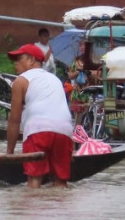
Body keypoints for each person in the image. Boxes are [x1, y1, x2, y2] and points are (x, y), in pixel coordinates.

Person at [5, 43, 74, 188]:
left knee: (34, 180)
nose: (15, 64)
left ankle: (33, 208)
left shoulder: (21, 81)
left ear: (31, 60)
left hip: (38, 130)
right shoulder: (55, 79)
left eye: (19, 59)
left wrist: (9, 153)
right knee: (61, 182)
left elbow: (14, 120)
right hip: (65, 130)